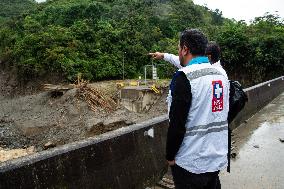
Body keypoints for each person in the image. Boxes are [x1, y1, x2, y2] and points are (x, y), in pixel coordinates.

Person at [153, 29, 230, 189]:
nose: (178, 53)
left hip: (191, 162)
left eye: (179, 49)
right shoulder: (221, 75)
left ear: (185, 49)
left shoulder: (184, 77)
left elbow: (177, 124)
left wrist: (170, 155)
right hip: (216, 157)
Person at [149, 41, 222, 67]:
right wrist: (162, 55)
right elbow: (175, 59)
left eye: (202, 55)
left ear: (208, 57)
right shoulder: (222, 75)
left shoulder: (196, 70)